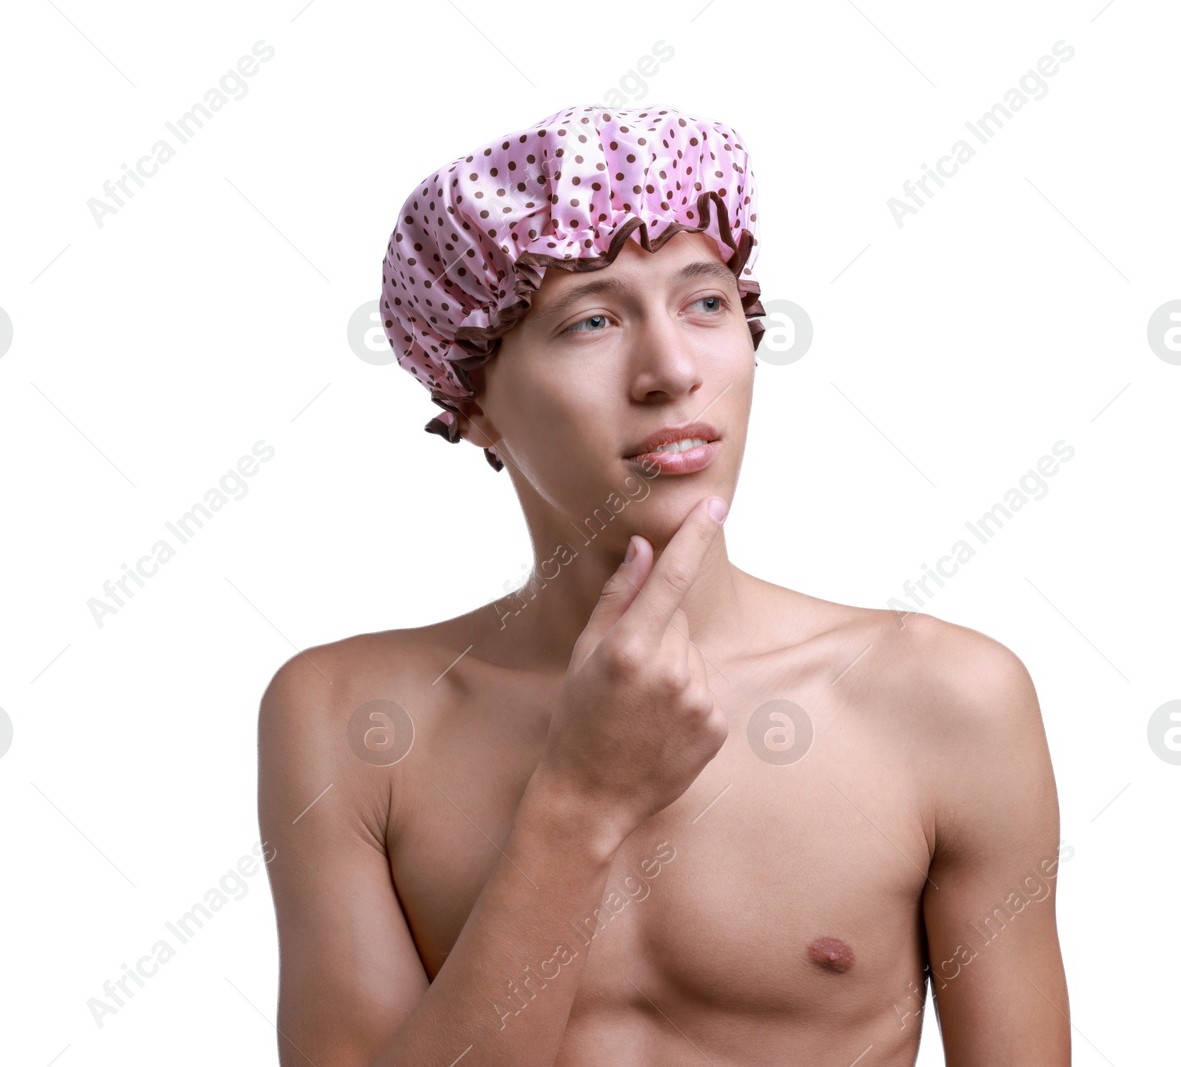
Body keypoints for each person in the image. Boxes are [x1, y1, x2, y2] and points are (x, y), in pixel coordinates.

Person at [257, 103, 1070, 1066]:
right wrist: (578, 801)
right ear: (471, 400)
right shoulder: (349, 718)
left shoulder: (946, 698)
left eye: (707, 302)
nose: (673, 370)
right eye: (593, 319)